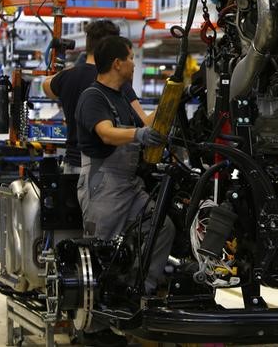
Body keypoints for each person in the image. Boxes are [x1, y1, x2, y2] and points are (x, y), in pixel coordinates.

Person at [74, 36, 174, 346]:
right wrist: (140, 134)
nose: (133, 63)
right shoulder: (93, 96)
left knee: (162, 228)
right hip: (103, 183)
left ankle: (137, 293)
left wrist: (172, 97)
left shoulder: (121, 96)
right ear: (117, 63)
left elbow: (146, 123)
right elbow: (106, 134)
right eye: (131, 58)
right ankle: (94, 329)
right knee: (101, 254)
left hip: (130, 185)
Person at [42, 19, 153, 174]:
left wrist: (71, 70)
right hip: (100, 171)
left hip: (71, 165)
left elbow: (46, 85)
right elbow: (144, 123)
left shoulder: (67, 77)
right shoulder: (114, 81)